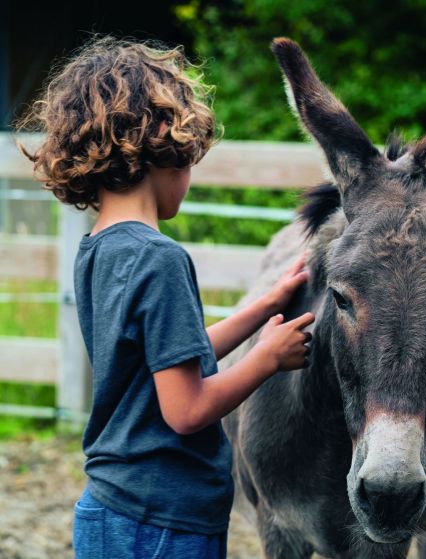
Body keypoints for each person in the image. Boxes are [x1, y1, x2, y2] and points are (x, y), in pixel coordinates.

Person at [17, 37, 315, 558]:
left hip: (113, 509)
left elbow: (174, 356)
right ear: (162, 138)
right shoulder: (159, 259)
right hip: (163, 524)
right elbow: (186, 408)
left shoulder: (98, 248)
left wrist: (264, 307)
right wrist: (266, 360)